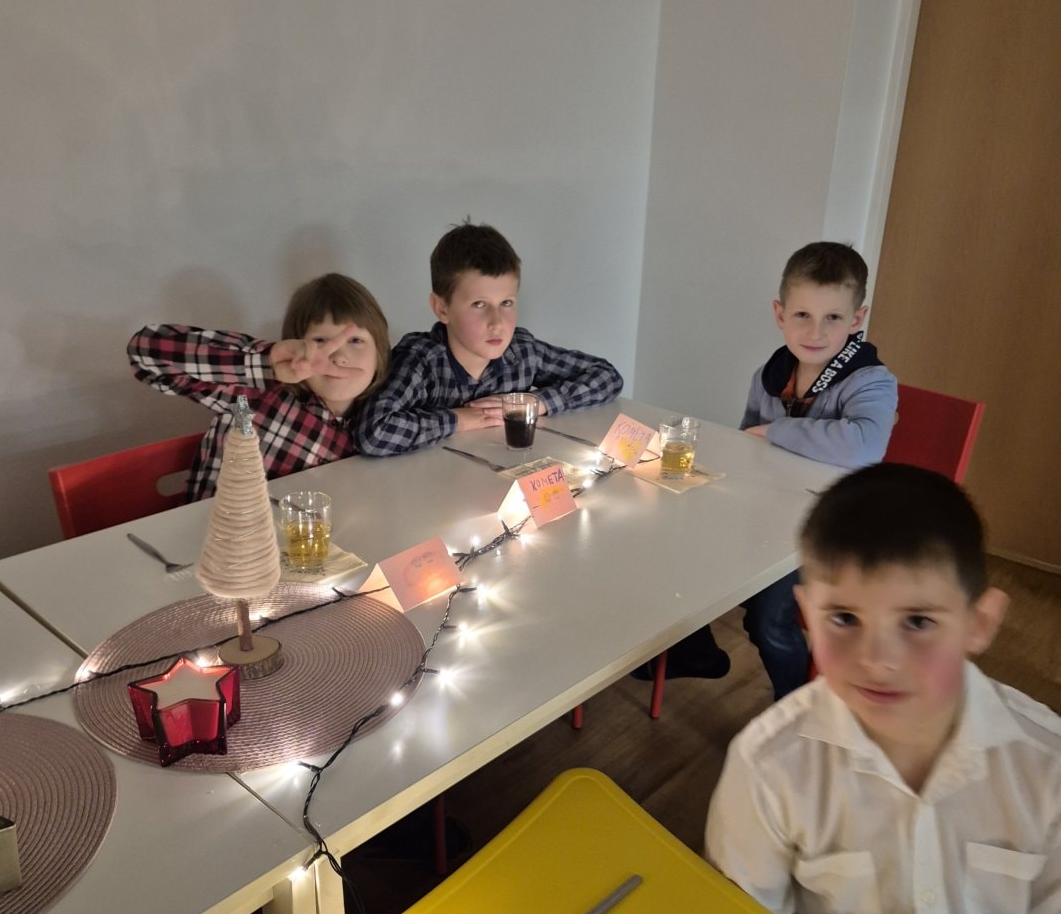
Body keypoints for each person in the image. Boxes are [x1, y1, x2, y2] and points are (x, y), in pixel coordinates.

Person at [706, 464, 1061, 914]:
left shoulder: (1045, 768)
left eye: (917, 621)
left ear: (979, 622)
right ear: (806, 615)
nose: (876, 659)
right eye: (844, 618)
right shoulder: (768, 764)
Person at [639, 241, 898, 688]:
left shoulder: (870, 380)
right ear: (780, 314)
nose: (815, 331)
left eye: (833, 318)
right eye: (802, 315)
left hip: (830, 530)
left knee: (767, 620)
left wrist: (777, 431)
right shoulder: (771, 374)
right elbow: (747, 441)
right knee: (678, 547)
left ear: (857, 319)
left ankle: (796, 706)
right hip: (768, 511)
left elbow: (863, 447)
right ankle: (697, 653)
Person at [354, 221, 622, 456]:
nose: (497, 323)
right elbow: (373, 433)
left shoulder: (522, 352)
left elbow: (606, 376)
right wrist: (458, 420)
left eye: (506, 303)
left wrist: (538, 403)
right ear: (442, 308)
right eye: (479, 304)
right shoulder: (421, 361)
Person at [128, 274, 390, 500]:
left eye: (355, 341)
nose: (339, 357)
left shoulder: (382, 419)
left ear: (379, 353)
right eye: (320, 340)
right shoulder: (251, 395)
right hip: (219, 538)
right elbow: (144, 353)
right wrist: (267, 363)